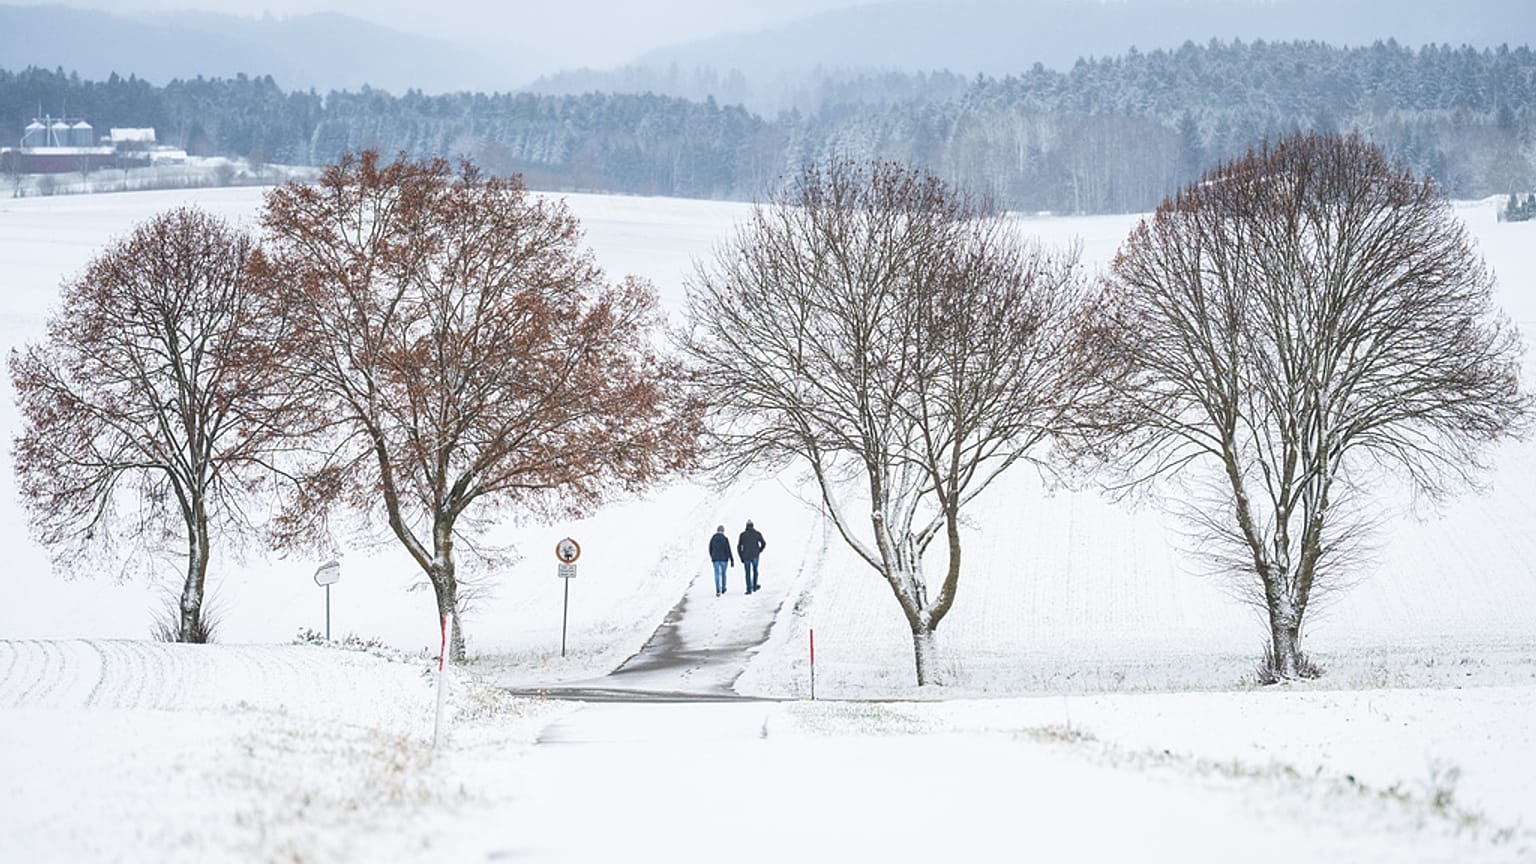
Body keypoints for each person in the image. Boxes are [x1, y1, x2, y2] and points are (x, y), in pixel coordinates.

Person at [737, 519, 766, 594]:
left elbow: (739, 546)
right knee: (755, 570)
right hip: (755, 555)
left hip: (746, 556)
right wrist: (759, 551)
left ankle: (749, 589)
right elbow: (764, 543)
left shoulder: (742, 535)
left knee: (747, 572)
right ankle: (755, 586)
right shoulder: (757, 534)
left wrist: (741, 556)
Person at [708, 525, 734, 596]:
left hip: (715, 559)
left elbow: (710, 548)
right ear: (723, 531)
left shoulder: (713, 538)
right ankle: (723, 588)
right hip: (724, 559)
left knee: (716, 574)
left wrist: (712, 556)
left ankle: (717, 589)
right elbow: (728, 549)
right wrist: (731, 559)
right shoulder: (725, 539)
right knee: (723, 573)